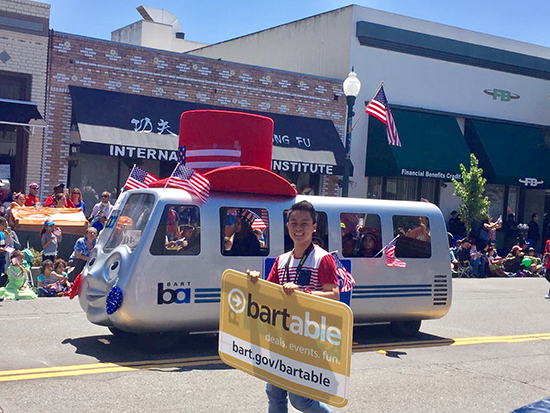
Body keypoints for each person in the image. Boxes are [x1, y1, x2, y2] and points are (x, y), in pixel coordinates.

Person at [247, 201, 338, 413]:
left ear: (314, 227)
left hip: (308, 338)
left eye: (304, 223)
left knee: (301, 400)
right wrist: (254, 281)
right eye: (294, 223)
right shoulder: (281, 260)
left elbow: (334, 296)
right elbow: (268, 294)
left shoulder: (323, 259)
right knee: (275, 395)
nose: (299, 228)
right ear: (287, 226)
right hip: (280, 336)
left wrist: (303, 293)